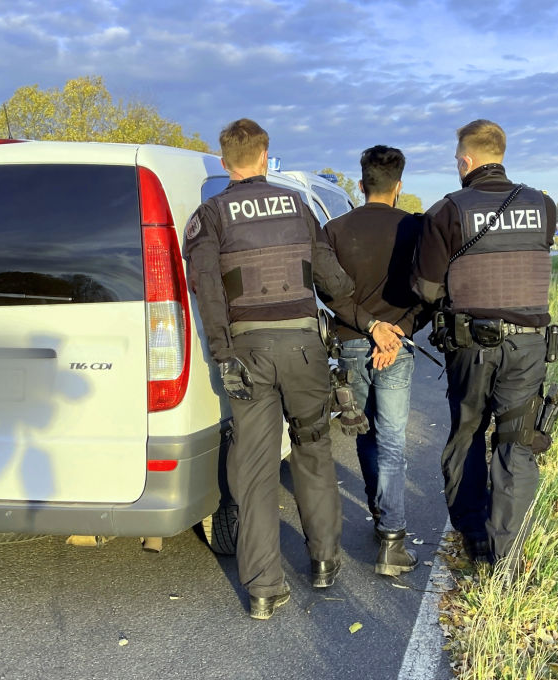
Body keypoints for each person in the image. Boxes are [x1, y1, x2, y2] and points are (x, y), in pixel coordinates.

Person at [182, 118, 363, 620]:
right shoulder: (298, 206)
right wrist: (360, 309)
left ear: (225, 162)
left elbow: (207, 291)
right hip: (305, 350)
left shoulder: (210, 215)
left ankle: (263, 589)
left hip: (248, 354)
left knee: (255, 470)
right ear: (265, 156)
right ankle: (323, 562)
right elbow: (332, 281)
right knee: (313, 451)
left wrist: (223, 355)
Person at [411, 120, 556, 578]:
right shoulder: (543, 205)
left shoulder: (448, 210)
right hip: (528, 346)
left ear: (465, 160)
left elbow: (426, 287)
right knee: (517, 442)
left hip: (471, 344)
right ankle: (505, 562)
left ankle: (474, 536)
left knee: (468, 433)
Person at [323, 145, 428, 577]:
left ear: (360, 183)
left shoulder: (334, 230)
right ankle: (392, 539)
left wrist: (370, 327)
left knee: (365, 432)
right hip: (397, 348)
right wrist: (398, 328)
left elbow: (329, 292)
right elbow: (431, 290)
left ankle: (380, 511)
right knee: (392, 440)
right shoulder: (417, 229)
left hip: (351, 341)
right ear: (399, 186)